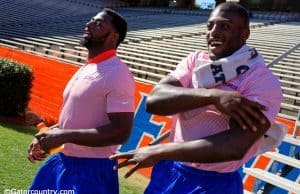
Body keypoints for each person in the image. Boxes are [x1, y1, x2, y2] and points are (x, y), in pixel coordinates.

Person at [110, 2, 282, 194]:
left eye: (224, 26)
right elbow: (155, 101)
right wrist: (213, 96)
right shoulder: (195, 61)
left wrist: (159, 151)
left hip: (213, 183)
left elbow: (235, 146)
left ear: (245, 34)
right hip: (171, 170)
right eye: (210, 26)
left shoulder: (263, 81)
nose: (213, 33)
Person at [27, 8, 135, 194]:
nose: (89, 24)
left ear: (113, 37)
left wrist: (63, 136)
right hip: (62, 161)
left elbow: (121, 132)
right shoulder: (88, 67)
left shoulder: (118, 73)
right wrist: (48, 134)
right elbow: (78, 121)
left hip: (91, 172)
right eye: (91, 20)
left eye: (99, 24)